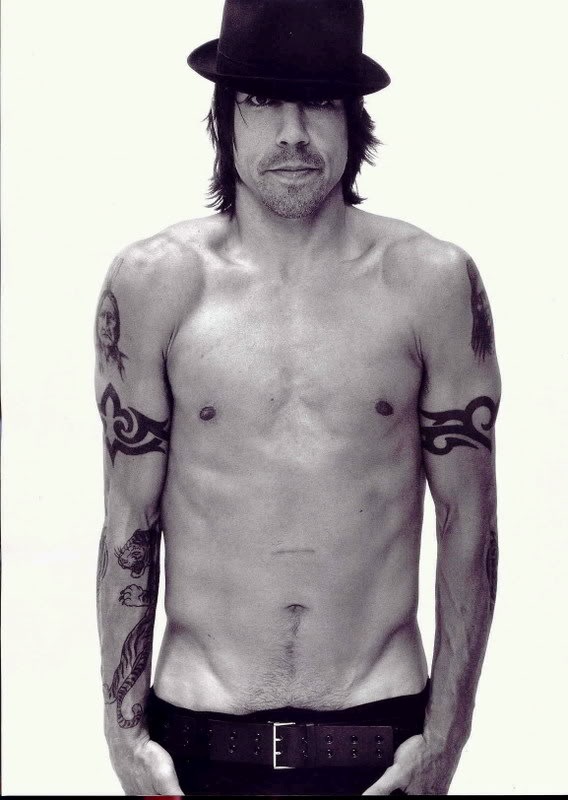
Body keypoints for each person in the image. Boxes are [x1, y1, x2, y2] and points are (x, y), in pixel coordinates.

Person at [95, 0, 500, 795]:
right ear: (224, 118)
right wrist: (123, 736)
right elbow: (127, 521)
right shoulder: (153, 285)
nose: (292, 133)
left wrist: (447, 737)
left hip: (379, 743)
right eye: (260, 101)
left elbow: (471, 521)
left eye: (318, 102)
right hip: (196, 744)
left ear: (353, 118)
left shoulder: (432, 284)